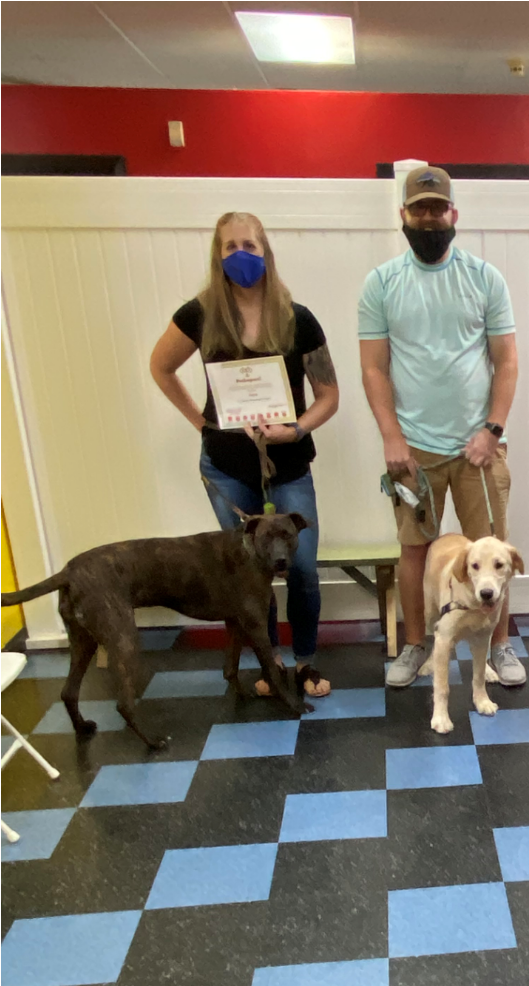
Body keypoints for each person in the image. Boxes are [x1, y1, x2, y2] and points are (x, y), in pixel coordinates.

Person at [150, 210, 339, 698]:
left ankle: (306, 662)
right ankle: (270, 662)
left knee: (301, 570)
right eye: (230, 246)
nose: (240, 255)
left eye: (249, 245)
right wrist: (201, 422)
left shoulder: (298, 318)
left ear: (265, 251)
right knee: (251, 575)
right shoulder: (198, 314)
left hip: (289, 467)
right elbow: (161, 367)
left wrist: (295, 429)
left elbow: (329, 396)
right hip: (226, 469)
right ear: (218, 255)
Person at [359, 165, 523, 689]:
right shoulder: (382, 283)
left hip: (479, 447)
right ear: (403, 215)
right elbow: (373, 368)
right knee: (414, 550)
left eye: (437, 209)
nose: (428, 219)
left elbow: (507, 361)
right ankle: (415, 645)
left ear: (454, 214)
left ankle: (500, 645)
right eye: (419, 210)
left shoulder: (484, 278)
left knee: (493, 550)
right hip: (413, 450)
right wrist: (392, 436)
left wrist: (491, 430)